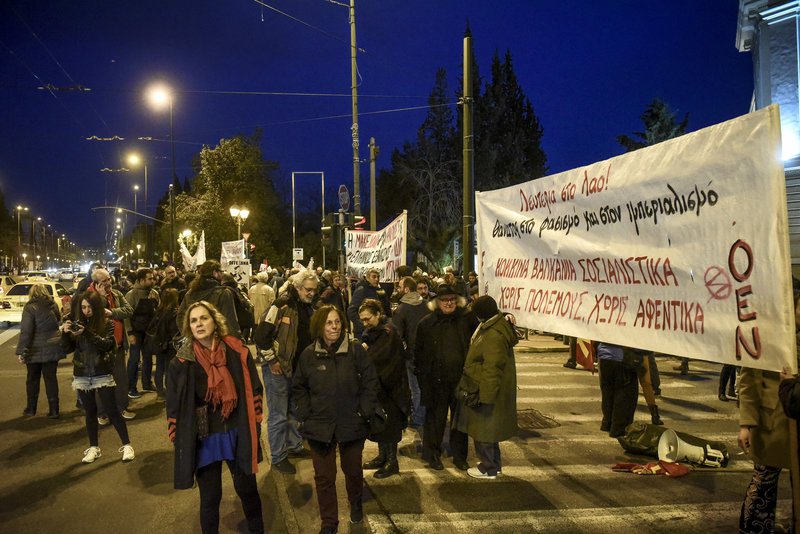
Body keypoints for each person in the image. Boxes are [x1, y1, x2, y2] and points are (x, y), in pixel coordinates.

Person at [166, 301, 264, 534]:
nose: (199, 324)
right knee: (210, 498)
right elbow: (173, 403)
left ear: (215, 321)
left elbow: (255, 388)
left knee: (247, 490)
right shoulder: (181, 361)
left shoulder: (236, 351)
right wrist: (177, 435)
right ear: (188, 327)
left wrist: (256, 421)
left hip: (236, 430)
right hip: (204, 437)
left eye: (204, 318)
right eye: (194, 320)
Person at [292, 305, 380, 534]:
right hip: (319, 427)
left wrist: (364, 411)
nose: (334, 327)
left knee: (352, 471)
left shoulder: (355, 351)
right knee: (324, 477)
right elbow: (299, 387)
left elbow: (371, 382)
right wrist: (305, 413)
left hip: (351, 423)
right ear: (319, 326)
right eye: (329, 323)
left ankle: (356, 502)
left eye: (337, 322)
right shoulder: (308, 355)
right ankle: (329, 523)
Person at [253, 269, 318, 474]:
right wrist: (272, 361)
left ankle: (294, 446)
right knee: (279, 415)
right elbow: (261, 336)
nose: (311, 293)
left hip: (295, 370)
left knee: (293, 411)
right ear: (297, 287)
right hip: (278, 369)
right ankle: (279, 456)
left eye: (314, 290)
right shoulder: (281, 305)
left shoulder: (307, 306)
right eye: (308, 290)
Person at [62, 292, 135, 464]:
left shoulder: (107, 323)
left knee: (112, 410)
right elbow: (66, 349)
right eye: (83, 307)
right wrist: (66, 333)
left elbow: (106, 345)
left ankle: (127, 445)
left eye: (90, 307)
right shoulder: (76, 324)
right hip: (81, 372)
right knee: (90, 412)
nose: (86, 311)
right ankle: (94, 447)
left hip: (101, 371)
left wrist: (85, 332)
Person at [414, 284, 479, 471]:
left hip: (461, 380)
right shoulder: (426, 323)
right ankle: (432, 455)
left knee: (459, 421)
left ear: (457, 301)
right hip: (436, 381)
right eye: (444, 300)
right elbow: (417, 353)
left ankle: (459, 456)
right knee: (435, 420)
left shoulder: (467, 319)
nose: (448, 303)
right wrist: (422, 380)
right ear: (437, 303)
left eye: (452, 299)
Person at [456, 295, 517, 480]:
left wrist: (486, 397)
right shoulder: (494, 325)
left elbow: (493, 368)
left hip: (485, 390)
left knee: (483, 430)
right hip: (484, 387)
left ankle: (488, 468)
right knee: (489, 430)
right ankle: (494, 465)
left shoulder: (493, 335)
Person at [358, 299, 410, 478]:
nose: (365, 323)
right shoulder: (374, 332)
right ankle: (382, 457)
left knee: (390, 425)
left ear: (378, 315)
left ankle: (391, 461)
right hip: (380, 388)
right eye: (362, 320)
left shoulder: (388, 333)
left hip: (390, 388)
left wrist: (365, 355)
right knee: (379, 422)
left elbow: (383, 359)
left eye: (368, 318)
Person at [88, 268, 136, 424]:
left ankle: (122, 408)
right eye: (105, 281)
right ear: (96, 283)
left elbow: (129, 310)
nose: (109, 283)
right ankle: (102, 413)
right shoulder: (88, 296)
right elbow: (92, 314)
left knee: (120, 379)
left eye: (109, 279)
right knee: (101, 380)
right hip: (99, 346)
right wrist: (101, 298)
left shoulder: (116, 294)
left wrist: (112, 312)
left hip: (118, 345)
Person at [16, 284, 66, 418]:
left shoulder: (30, 307)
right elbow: (58, 320)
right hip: (52, 346)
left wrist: (22, 351)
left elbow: (26, 331)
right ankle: (54, 410)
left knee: (32, 379)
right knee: (51, 379)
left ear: (32, 294)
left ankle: (31, 409)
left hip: (34, 349)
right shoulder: (53, 304)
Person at [391, 276, 429, 429]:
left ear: (406, 289)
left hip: (412, 355)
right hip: (428, 352)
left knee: (416, 388)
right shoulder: (427, 305)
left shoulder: (401, 309)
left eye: (400, 286)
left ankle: (419, 418)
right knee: (425, 386)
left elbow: (397, 336)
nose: (398, 289)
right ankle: (425, 414)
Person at [178, 260, 241, 338]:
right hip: (217, 342)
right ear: (215, 273)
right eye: (221, 272)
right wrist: (238, 342)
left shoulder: (190, 293)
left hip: (196, 342)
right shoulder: (224, 293)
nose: (222, 275)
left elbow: (180, 317)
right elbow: (231, 322)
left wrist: (190, 335)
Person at [125, 268, 160, 398]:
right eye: (150, 279)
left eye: (153, 278)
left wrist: (155, 303)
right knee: (134, 360)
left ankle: (147, 383)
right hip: (136, 332)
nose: (153, 281)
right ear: (141, 280)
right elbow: (126, 316)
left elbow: (158, 311)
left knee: (148, 358)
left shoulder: (154, 293)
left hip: (149, 332)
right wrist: (130, 333)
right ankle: (131, 388)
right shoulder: (131, 295)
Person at [596, 342, 641, 438]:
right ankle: (618, 429)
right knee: (625, 394)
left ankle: (607, 423)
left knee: (608, 391)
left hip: (604, 354)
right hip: (623, 357)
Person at [147, 287, 180, 397]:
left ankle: (160, 390)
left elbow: (151, 327)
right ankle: (169, 393)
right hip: (169, 345)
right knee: (169, 369)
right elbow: (174, 331)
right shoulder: (174, 313)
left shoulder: (158, 311)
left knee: (159, 367)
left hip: (158, 343)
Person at [348, 268, 392, 338]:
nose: (377, 279)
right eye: (374, 277)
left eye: (378, 277)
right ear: (368, 278)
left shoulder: (380, 290)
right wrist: (364, 325)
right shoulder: (361, 290)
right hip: (363, 333)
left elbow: (385, 309)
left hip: (378, 330)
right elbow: (351, 311)